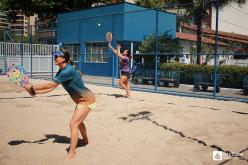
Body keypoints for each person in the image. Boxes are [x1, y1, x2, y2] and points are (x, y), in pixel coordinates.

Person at [23, 49, 96, 160]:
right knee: (79, 123)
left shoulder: (68, 71)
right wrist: (36, 92)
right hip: (81, 100)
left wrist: (33, 87)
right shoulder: (61, 72)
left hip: (87, 99)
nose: (55, 57)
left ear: (63, 58)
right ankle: (85, 140)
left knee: (73, 124)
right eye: (54, 55)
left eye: (56, 55)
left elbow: (49, 84)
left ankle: (72, 152)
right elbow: (52, 87)